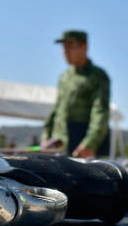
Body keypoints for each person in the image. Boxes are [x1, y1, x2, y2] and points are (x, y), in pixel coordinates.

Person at [41, 30, 111, 158]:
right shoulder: (65, 77)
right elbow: (57, 108)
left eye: (70, 47)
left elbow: (100, 113)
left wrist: (90, 143)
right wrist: (46, 137)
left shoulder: (97, 76)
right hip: (59, 145)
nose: (66, 52)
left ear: (84, 47)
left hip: (81, 148)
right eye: (64, 48)